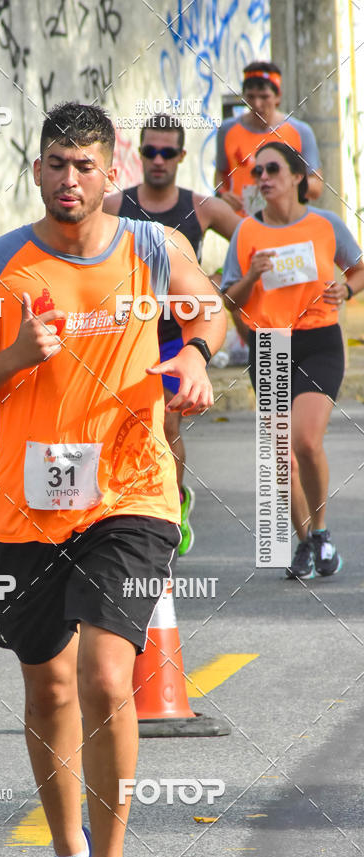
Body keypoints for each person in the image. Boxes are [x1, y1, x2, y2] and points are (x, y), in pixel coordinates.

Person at [0, 102, 226, 857]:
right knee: (51, 686)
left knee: (104, 674)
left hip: (131, 492)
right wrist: (14, 358)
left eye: (85, 165)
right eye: (57, 164)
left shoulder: (151, 247)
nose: (70, 179)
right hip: (27, 507)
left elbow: (209, 309)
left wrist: (196, 356)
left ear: (111, 173)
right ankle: (69, 855)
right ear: (37, 171)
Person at [221, 142, 364, 579]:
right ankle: (305, 543)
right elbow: (230, 298)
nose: (262, 177)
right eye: (257, 171)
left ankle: (321, 532)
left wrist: (347, 289)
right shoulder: (246, 232)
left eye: (272, 169)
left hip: (319, 340)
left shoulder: (325, 224)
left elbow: (358, 267)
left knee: (304, 440)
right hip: (269, 344)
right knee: (283, 455)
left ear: (298, 176)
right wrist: (252, 276)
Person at [105, 115, 241, 555]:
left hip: (176, 338)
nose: (158, 160)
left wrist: (222, 281)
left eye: (167, 152)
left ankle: (171, 508)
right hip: (125, 334)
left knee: (165, 423)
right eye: (150, 151)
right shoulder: (114, 205)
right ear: (140, 154)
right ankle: (121, 510)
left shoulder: (201, 208)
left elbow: (250, 238)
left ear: (181, 156)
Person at [215, 61, 323, 218]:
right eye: (251, 97)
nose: (257, 104)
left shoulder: (300, 131)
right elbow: (220, 176)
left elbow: (316, 187)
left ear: (278, 97)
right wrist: (222, 194)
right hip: (241, 224)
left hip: (287, 223)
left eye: (264, 97)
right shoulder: (227, 130)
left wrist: (285, 183)